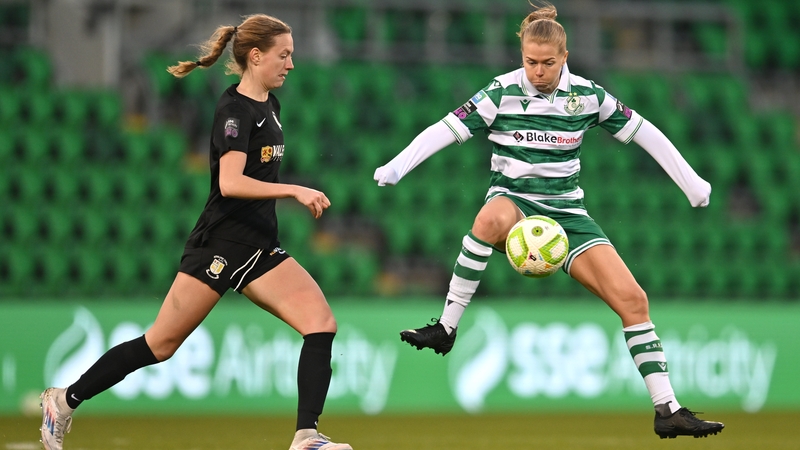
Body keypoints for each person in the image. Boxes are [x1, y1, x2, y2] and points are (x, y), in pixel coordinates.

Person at [373, 1, 724, 440]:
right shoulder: (500, 92)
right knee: (489, 217)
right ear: (521, 56)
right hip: (515, 203)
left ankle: (667, 409)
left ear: (565, 57)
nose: (537, 71)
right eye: (530, 62)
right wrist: (397, 166)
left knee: (633, 300)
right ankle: (446, 327)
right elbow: (445, 128)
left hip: (568, 215)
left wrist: (691, 182)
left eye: (547, 63)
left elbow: (645, 131)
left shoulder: (588, 96)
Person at [39, 14, 352, 450]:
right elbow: (230, 183)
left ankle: (306, 437)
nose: (291, 64)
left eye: (292, 55)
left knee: (320, 323)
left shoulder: (271, 107)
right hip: (219, 246)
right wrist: (294, 189)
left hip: (260, 248)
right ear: (255, 56)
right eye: (284, 55)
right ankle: (63, 400)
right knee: (160, 344)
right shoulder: (234, 111)